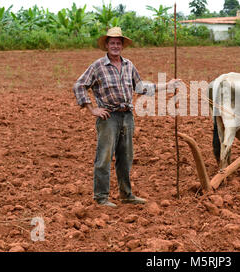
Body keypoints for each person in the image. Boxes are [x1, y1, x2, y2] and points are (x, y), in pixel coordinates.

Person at [73, 27, 180, 207]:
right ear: (107, 45)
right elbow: (79, 85)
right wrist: (92, 109)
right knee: (104, 157)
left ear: (122, 45)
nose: (115, 46)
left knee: (126, 156)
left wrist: (167, 85)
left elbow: (140, 88)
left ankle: (126, 194)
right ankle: (101, 197)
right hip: (108, 117)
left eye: (118, 43)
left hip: (127, 116)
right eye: (112, 43)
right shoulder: (98, 66)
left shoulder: (128, 65)